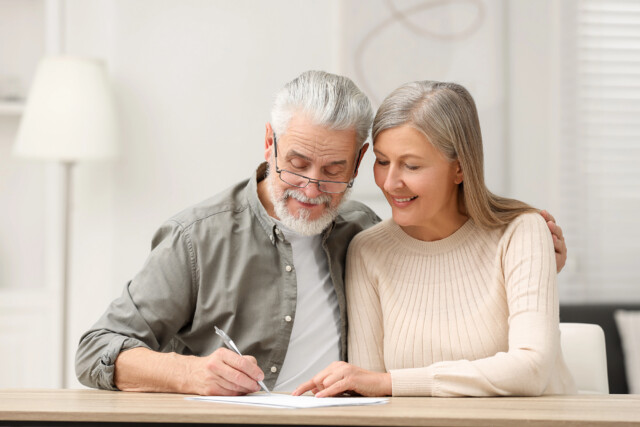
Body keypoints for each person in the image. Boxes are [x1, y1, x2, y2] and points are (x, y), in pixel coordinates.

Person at [76, 72, 567, 396]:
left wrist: (533, 262)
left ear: (357, 162)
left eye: (334, 169)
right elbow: (94, 349)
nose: (312, 188)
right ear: (269, 143)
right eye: (296, 164)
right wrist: (188, 373)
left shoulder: (359, 232)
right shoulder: (198, 238)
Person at [293, 81, 576, 398]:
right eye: (383, 161)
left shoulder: (522, 232)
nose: (390, 182)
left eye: (411, 165)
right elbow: (368, 394)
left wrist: (391, 382)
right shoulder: (367, 250)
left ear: (459, 168)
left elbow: (530, 369)